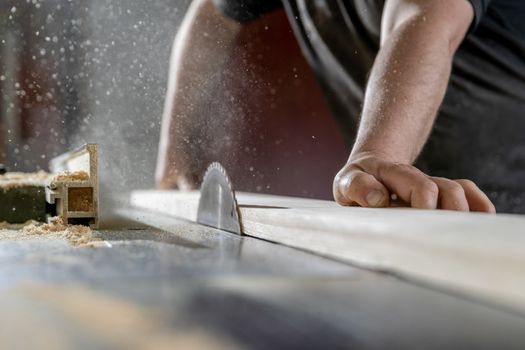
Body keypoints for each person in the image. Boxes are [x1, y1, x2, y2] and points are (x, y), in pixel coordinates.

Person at [157, 0, 525, 214]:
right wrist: (174, 160)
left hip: (500, 202)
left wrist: (379, 156)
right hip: (406, 202)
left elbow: (424, 16)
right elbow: (210, 15)